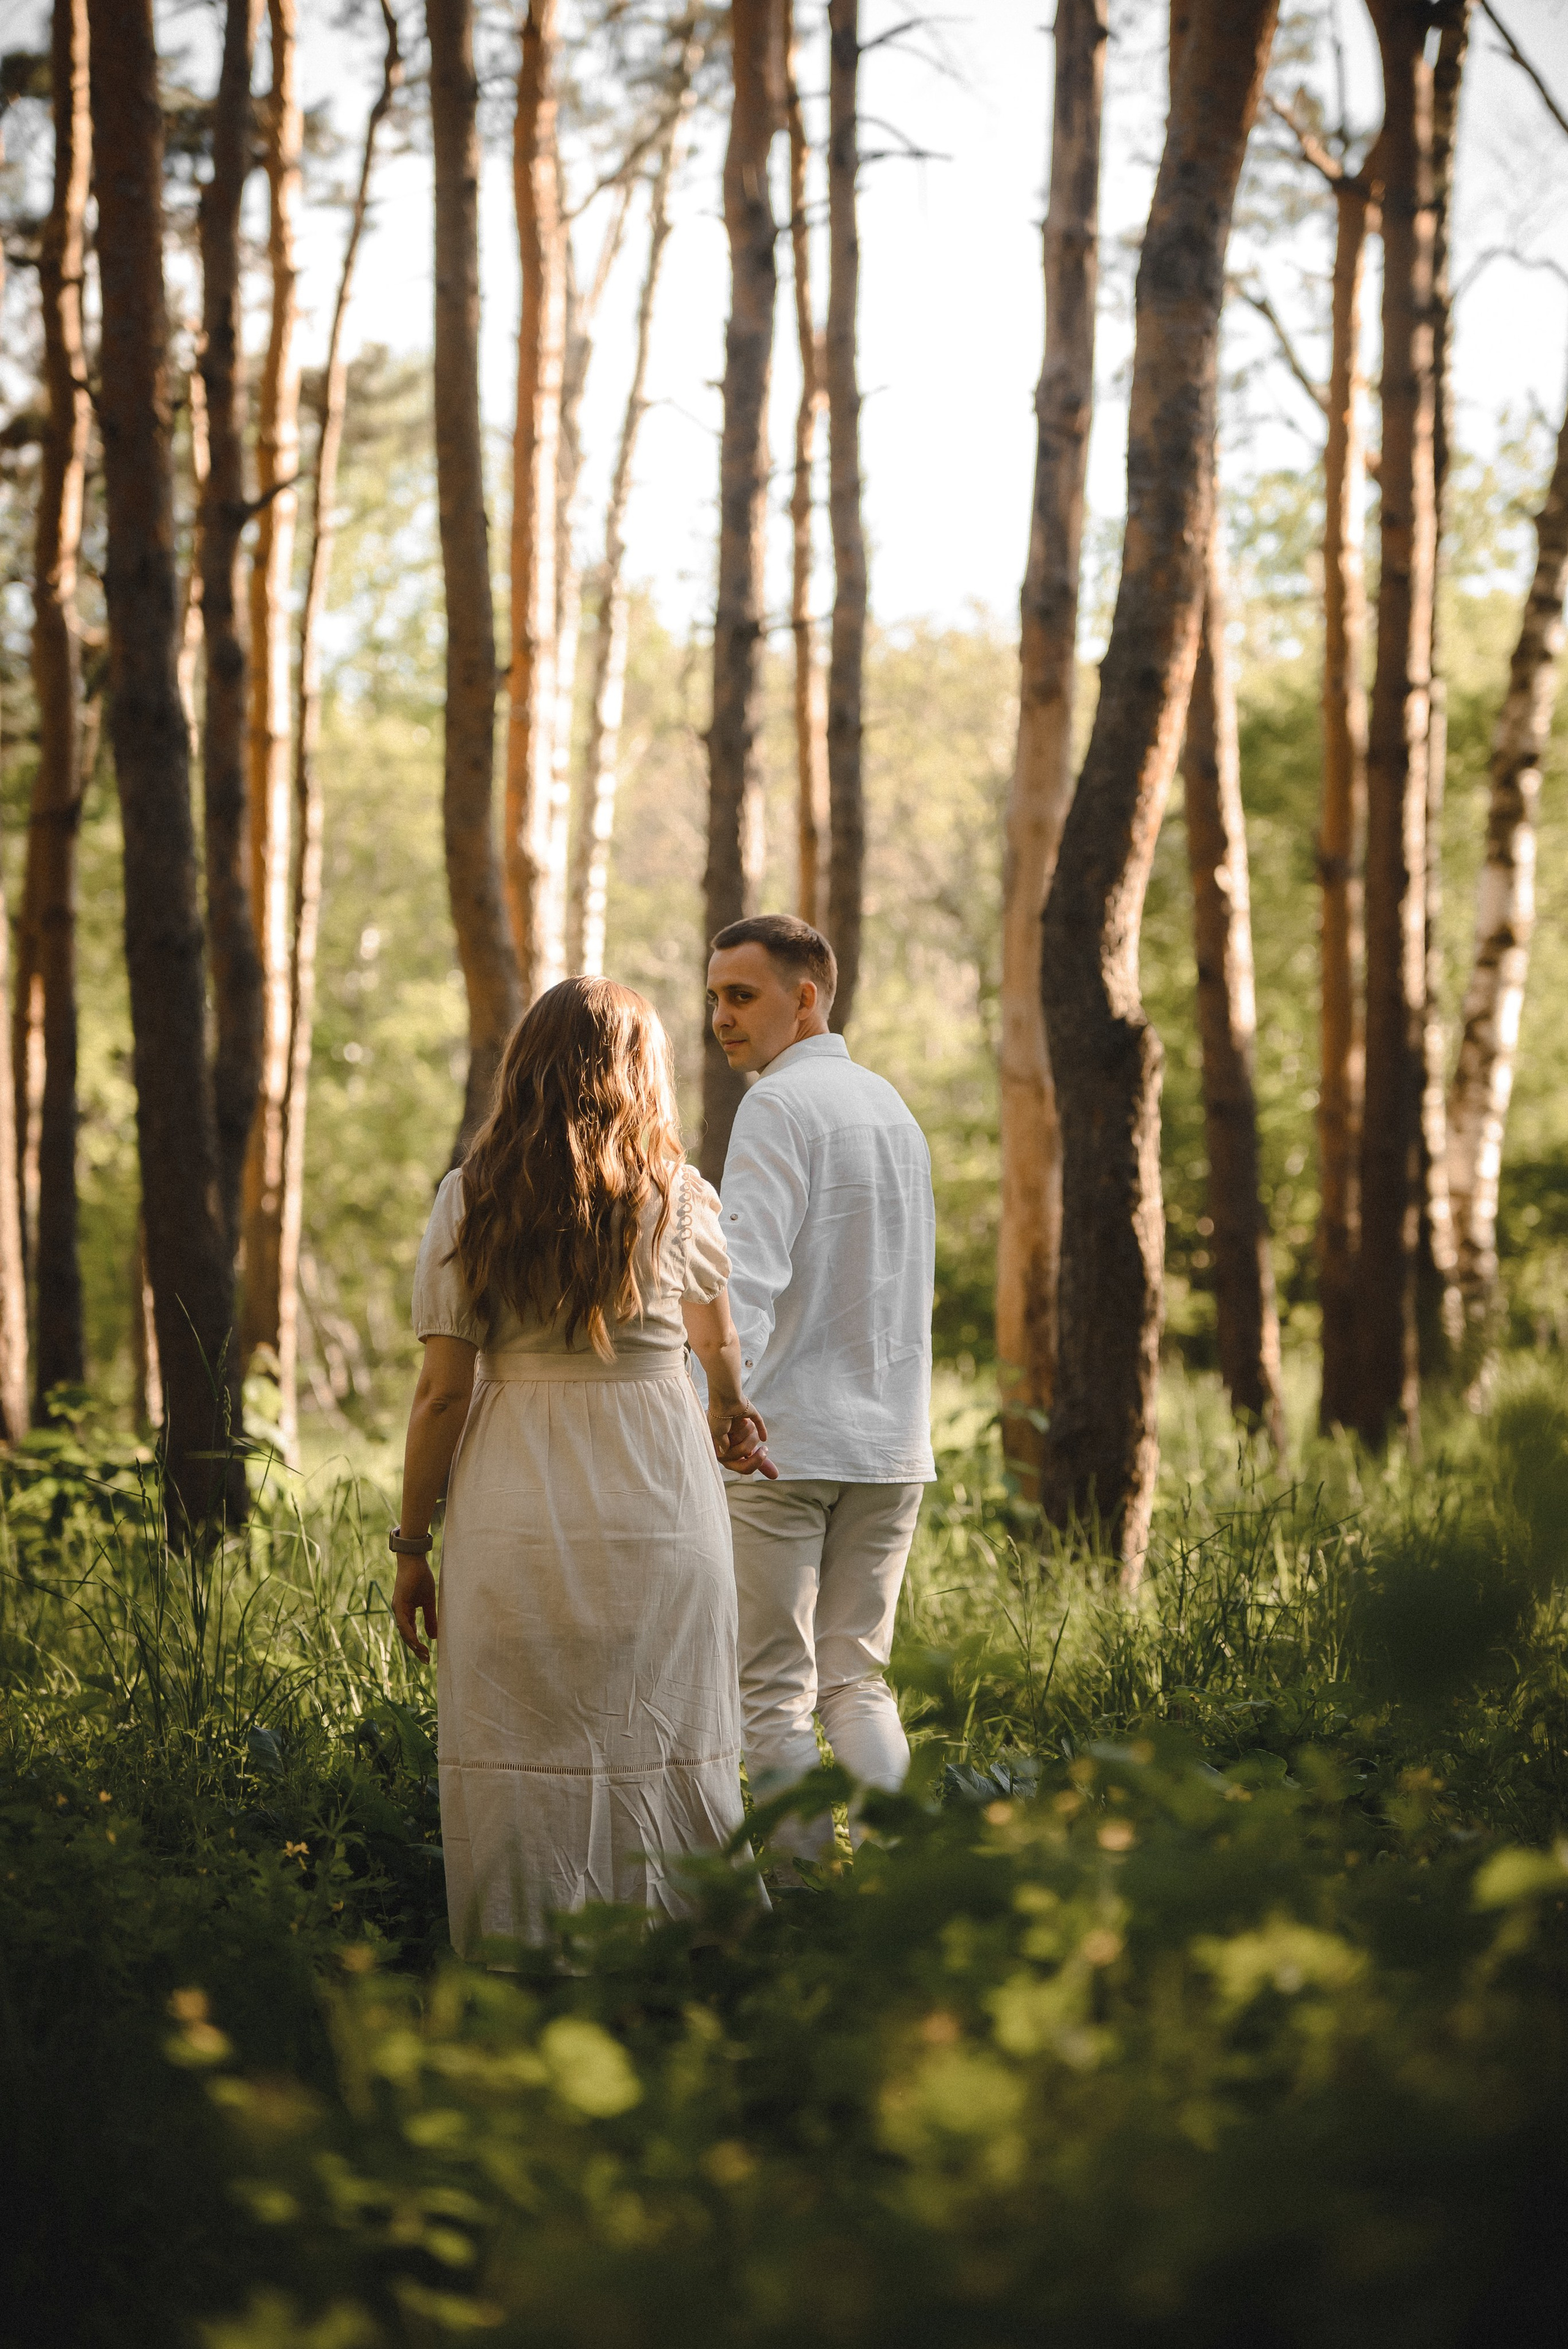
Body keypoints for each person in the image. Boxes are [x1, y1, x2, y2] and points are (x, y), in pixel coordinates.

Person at [389, 978, 774, 1951]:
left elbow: (441, 1394)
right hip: (658, 1490)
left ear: (526, 1068)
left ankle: (528, 1946)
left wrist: (411, 1546)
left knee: (523, 1728)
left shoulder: (471, 1199)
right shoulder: (679, 1197)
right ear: (643, 1072)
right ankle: (685, 1947)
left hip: (516, 1495)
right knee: (665, 1725)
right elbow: (718, 1345)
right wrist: (730, 1412)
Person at [706, 914, 936, 1869]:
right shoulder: (890, 1107)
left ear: (806, 998)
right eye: (714, 997)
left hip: (783, 1444)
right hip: (890, 1445)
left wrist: (721, 1409)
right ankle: (900, 1883)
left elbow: (744, 1282)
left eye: (741, 995)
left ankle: (799, 1900)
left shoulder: (778, 1105)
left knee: (772, 1690)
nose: (721, 1017)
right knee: (858, 1683)